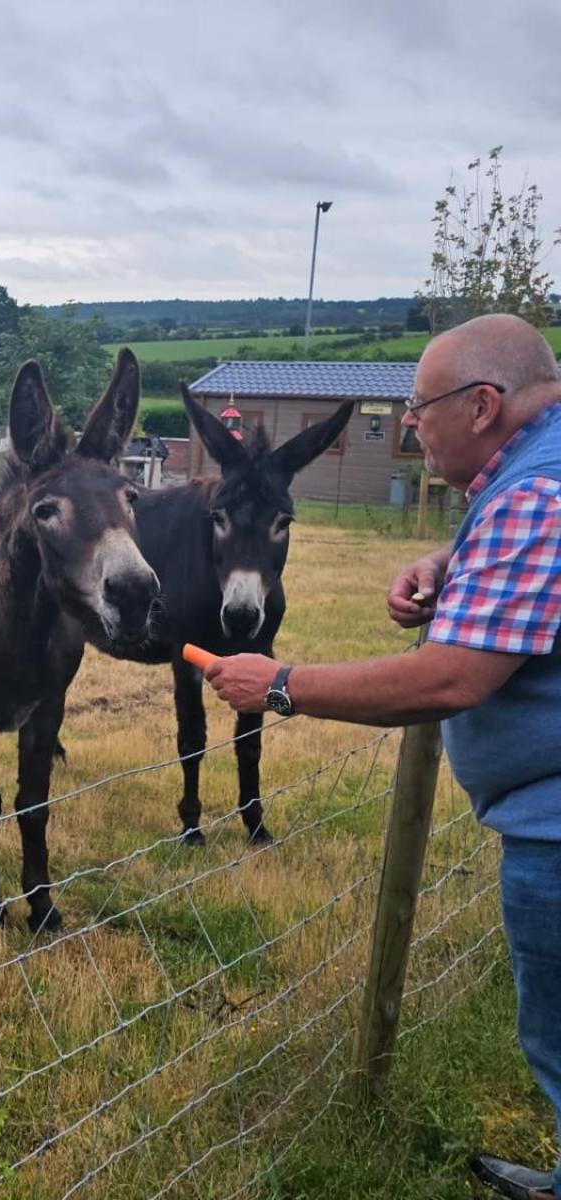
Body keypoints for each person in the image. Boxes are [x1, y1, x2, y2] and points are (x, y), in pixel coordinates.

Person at [205, 313, 561, 1200]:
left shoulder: (534, 497)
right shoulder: (533, 477)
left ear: (483, 405)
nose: (408, 427)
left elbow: (449, 682)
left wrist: (282, 683)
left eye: (418, 408)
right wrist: (456, 559)